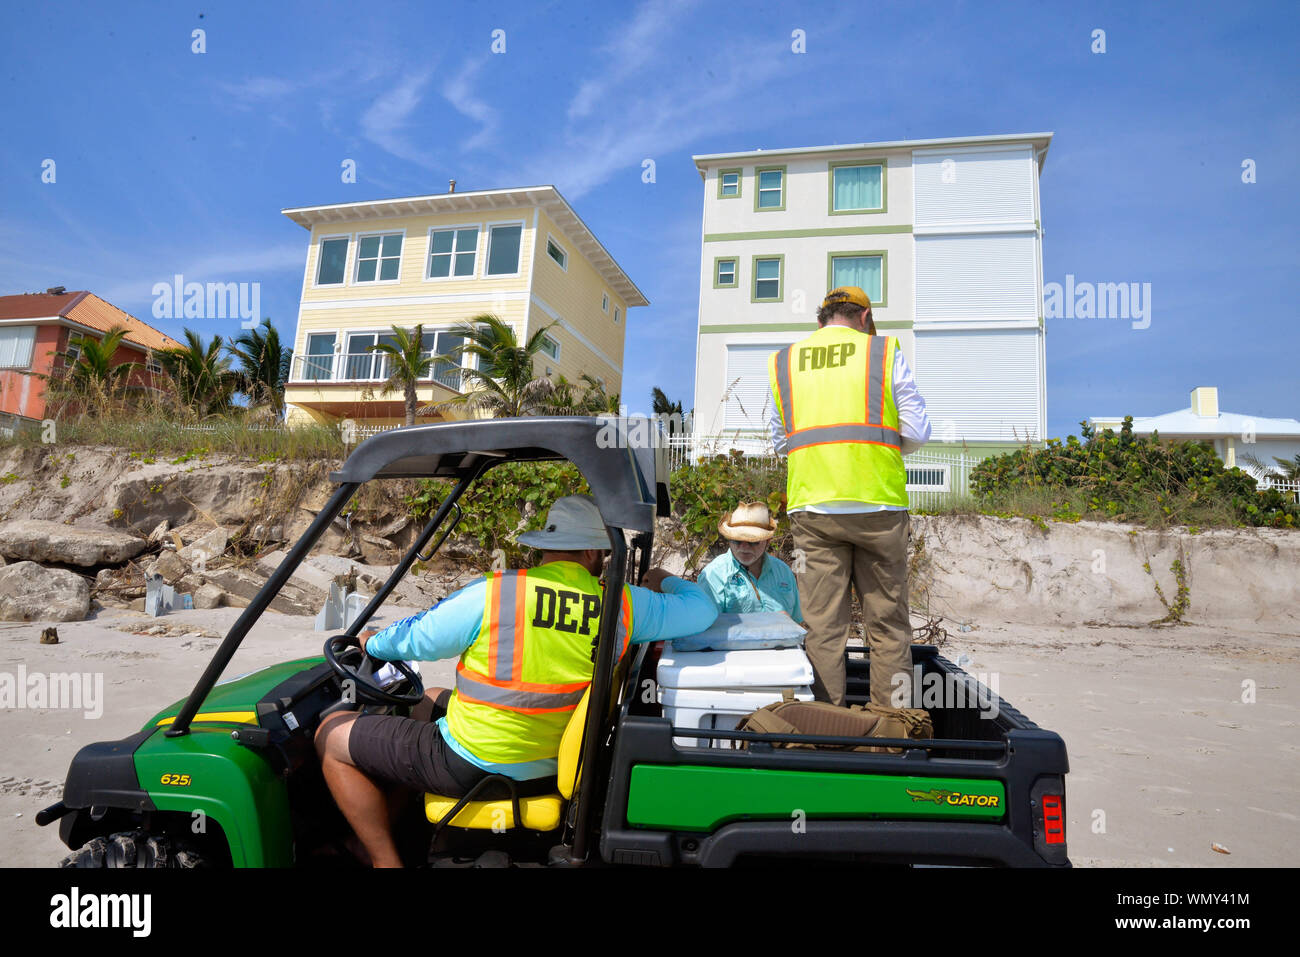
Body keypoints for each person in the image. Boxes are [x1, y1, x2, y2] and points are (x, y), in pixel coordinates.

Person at [315, 494, 718, 867]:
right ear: (595, 552)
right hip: (550, 760)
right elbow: (703, 610)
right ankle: (402, 824)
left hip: (473, 761)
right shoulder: (623, 604)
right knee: (428, 699)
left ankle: (384, 860)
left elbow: (419, 637)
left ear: (546, 547)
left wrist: (373, 643)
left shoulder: (496, 592)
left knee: (330, 736)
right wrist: (662, 576)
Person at [767, 286, 931, 709]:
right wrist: (877, 447)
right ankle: (892, 726)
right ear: (864, 317)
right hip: (878, 504)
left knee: (822, 626)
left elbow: (780, 441)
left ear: (820, 319)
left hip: (813, 506)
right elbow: (916, 431)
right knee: (888, 625)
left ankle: (825, 724)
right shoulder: (882, 351)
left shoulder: (786, 362)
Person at [698, 502, 802, 623]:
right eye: (737, 540)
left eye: (753, 541)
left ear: (767, 541)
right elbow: (706, 627)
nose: (744, 547)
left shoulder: (784, 572)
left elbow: (796, 622)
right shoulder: (714, 575)